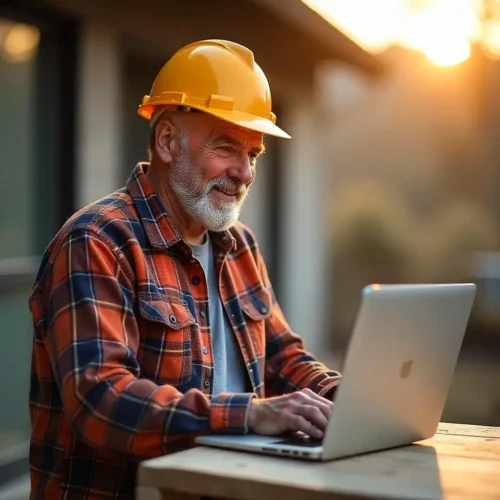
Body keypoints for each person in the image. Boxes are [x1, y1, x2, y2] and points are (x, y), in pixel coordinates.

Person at [28, 39, 342, 499]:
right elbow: (101, 401)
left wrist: (348, 401)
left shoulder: (239, 246)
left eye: (252, 154)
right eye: (226, 147)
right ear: (168, 140)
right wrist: (250, 414)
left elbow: (283, 359)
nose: (245, 173)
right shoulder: (97, 242)